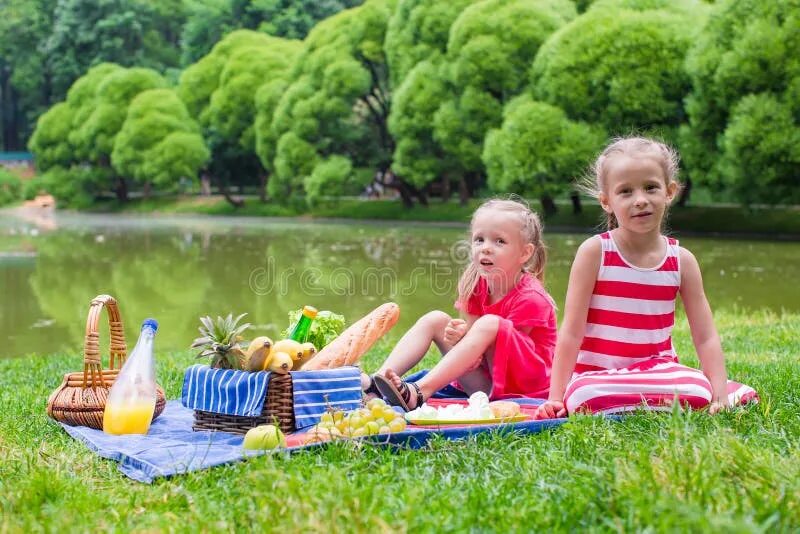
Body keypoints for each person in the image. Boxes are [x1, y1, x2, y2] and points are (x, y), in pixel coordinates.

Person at [535, 137, 758, 419]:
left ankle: (636, 401)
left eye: (651, 187)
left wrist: (719, 393)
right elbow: (571, 332)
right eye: (625, 191)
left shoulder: (682, 261)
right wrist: (556, 398)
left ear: (669, 191)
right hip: (598, 377)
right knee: (582, 396)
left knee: (700, 389)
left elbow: (705, 336)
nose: (640, 200)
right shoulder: (595, 252)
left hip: (658, 371)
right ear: (606, 201)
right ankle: (641, 401)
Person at [363, 198, 558, 410]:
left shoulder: (531, 297)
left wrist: (471, 339)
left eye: (499, 241)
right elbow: (475, 347)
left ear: (525, 253)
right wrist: (460, 337)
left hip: (518, 387)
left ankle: (419, 391)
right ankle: (375, 385)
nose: (486, 248)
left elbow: (507, 359)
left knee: (490, 323)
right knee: (435, 319)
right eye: (479, 239)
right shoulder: (475, 283)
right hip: (482, 385)